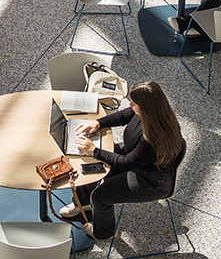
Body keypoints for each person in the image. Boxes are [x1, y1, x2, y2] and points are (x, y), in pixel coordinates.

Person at [60, 81, 186, 242]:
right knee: (91, 164)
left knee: (100, 196)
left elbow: (126, 163)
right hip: (138, 159)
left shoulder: (152, 139)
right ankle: (83, 203)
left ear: (146, 107)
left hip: (150, 180)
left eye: (134, 103)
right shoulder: (152, 113)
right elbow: (125, 115)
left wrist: (94, 150)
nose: (130, 104)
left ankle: (104, 232)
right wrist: (98, 123)